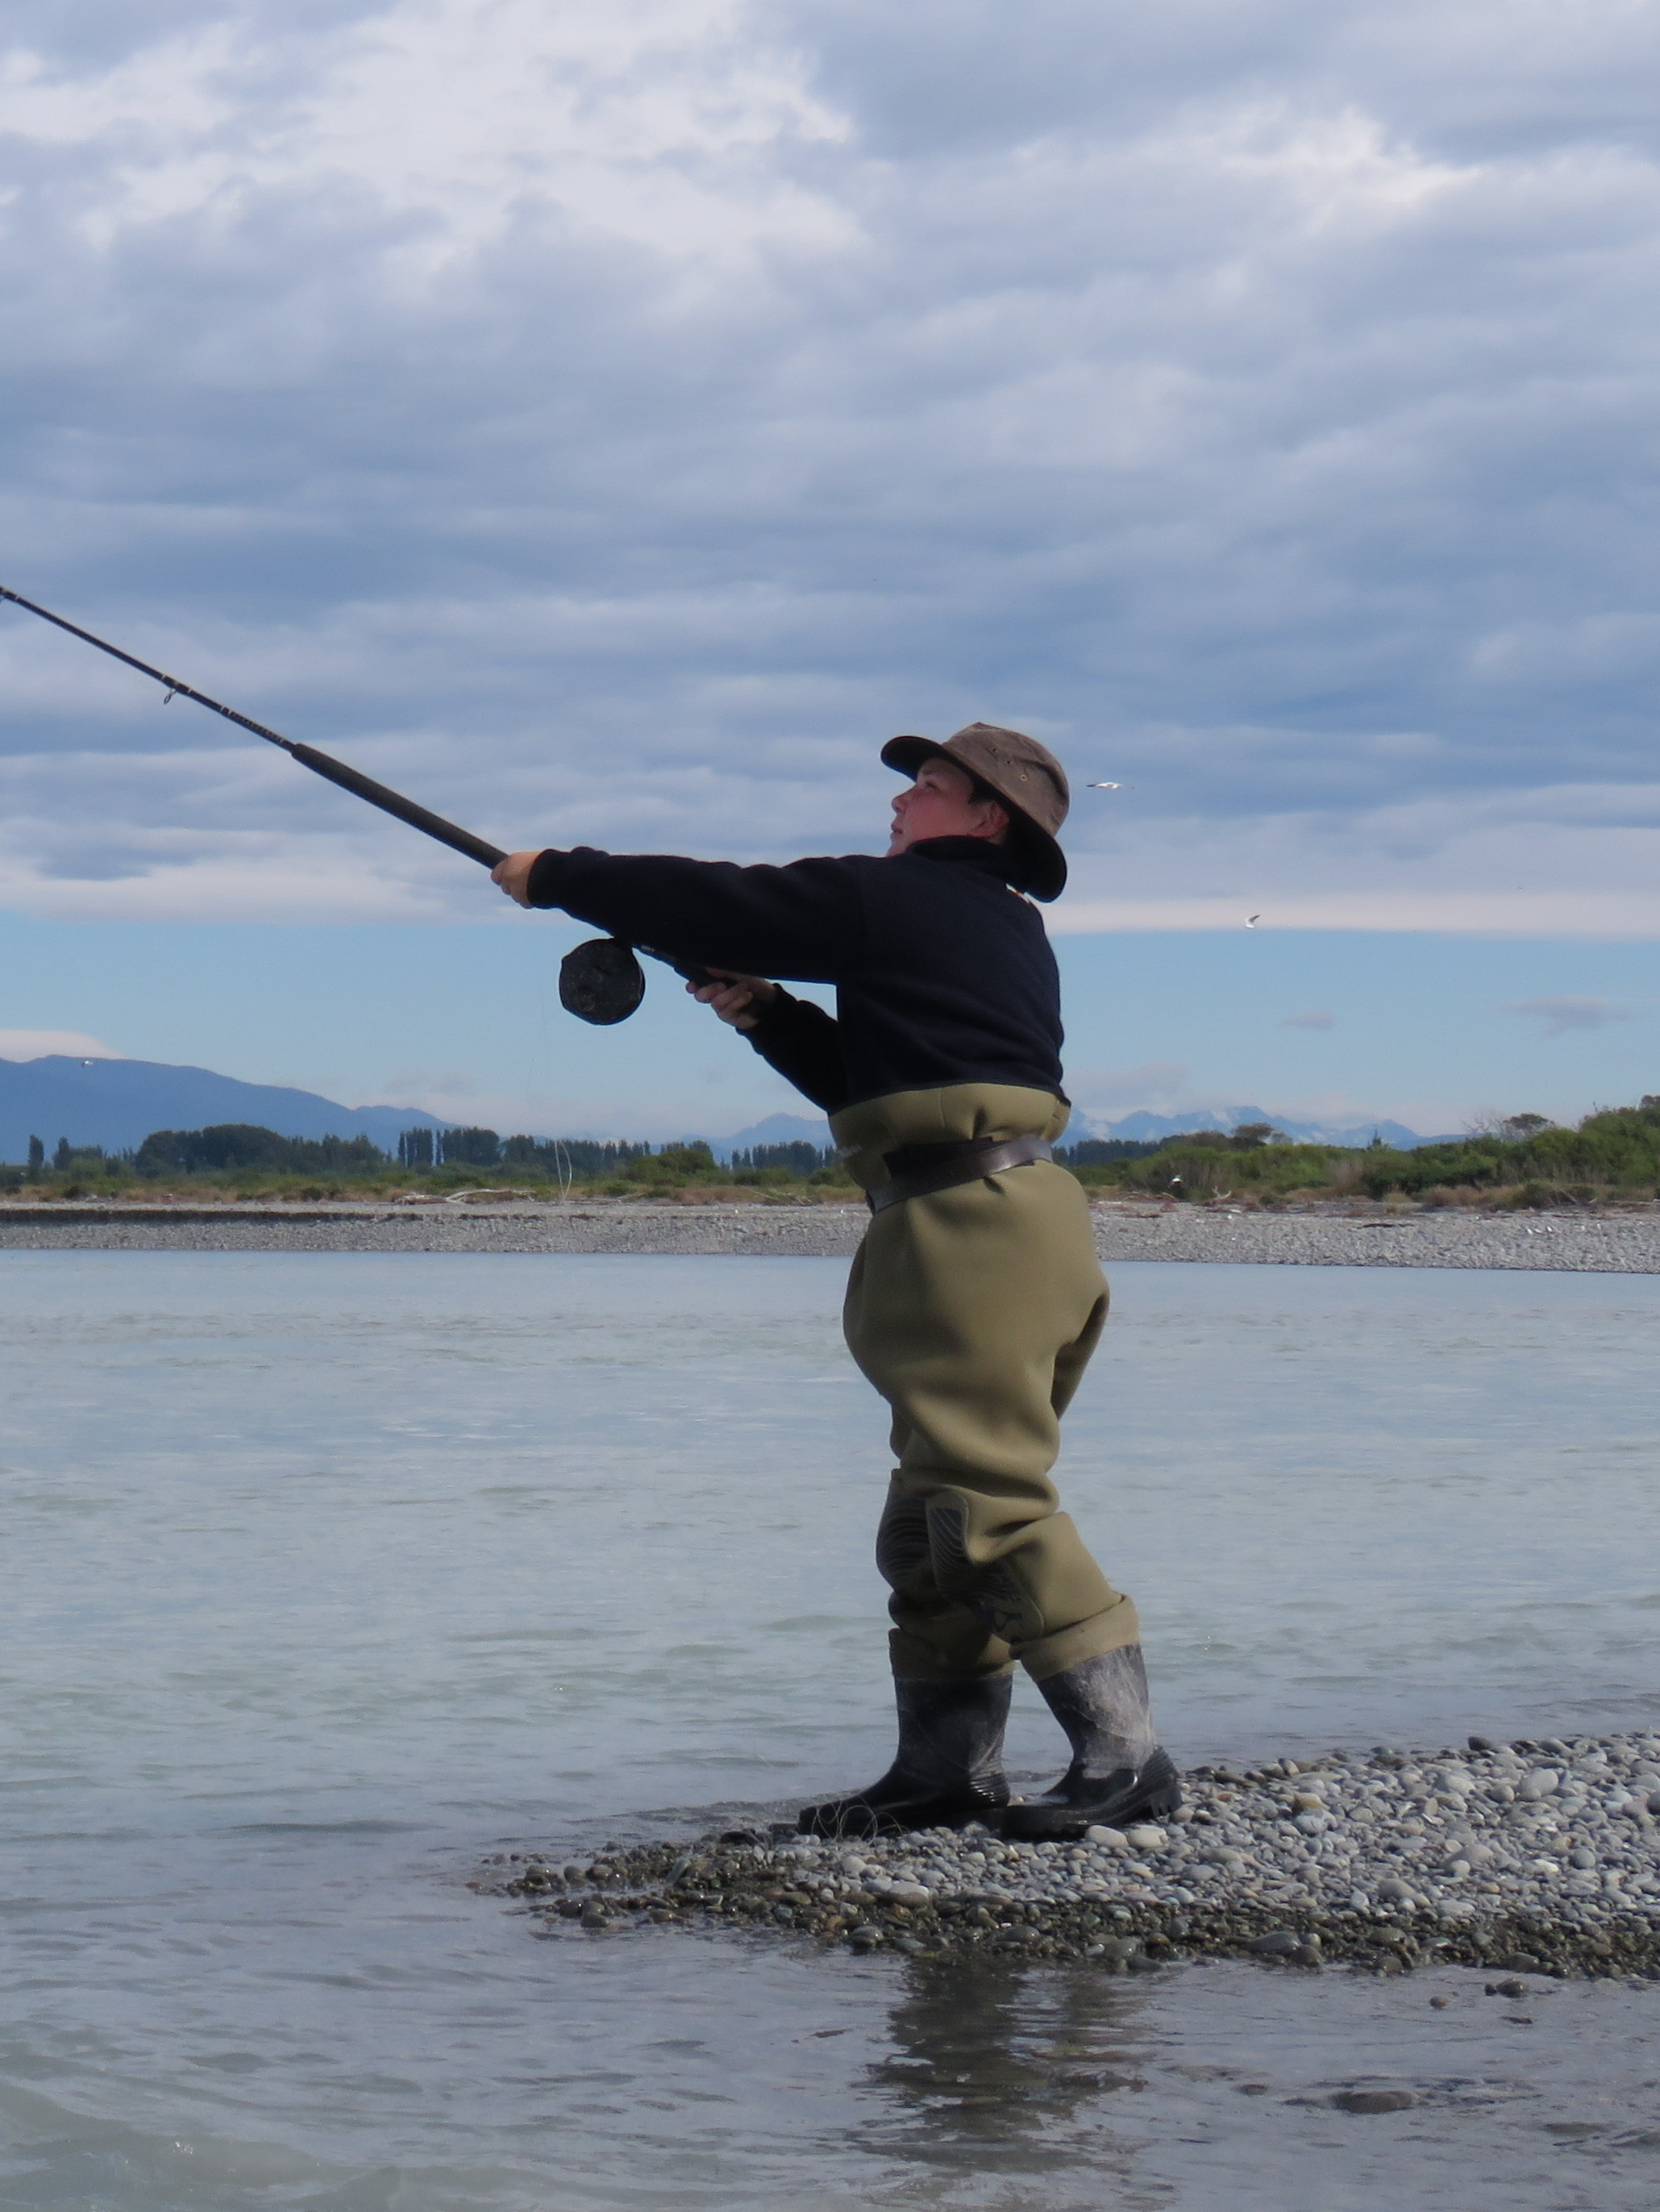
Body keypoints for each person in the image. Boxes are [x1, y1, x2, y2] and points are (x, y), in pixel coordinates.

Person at [488, 726, 1178, 1842]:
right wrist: (766, 1012)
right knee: (926, 1524)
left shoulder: (905, 900)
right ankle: (944, 1772)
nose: (900, 802)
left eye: (927, 786)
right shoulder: (982, 923)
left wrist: (557, 876)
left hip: (973, 1230)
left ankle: (1125, 1755)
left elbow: (727, 899)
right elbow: (879, 1079)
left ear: (985, 817)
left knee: (981, 1503)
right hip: (980, 1213)